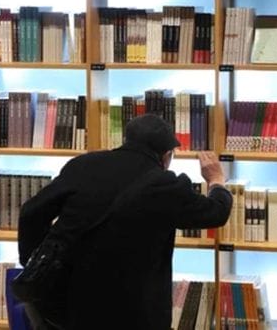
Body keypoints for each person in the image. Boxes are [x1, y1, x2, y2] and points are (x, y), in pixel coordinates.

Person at [17, 113, 233, 330]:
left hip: (73, 302)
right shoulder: (163, 185)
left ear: (127, 140)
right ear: (167, 155)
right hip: (132, 310)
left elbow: (30, 213)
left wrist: (34, 260)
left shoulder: (83, 165)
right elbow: (216, 213)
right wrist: (216, 180)